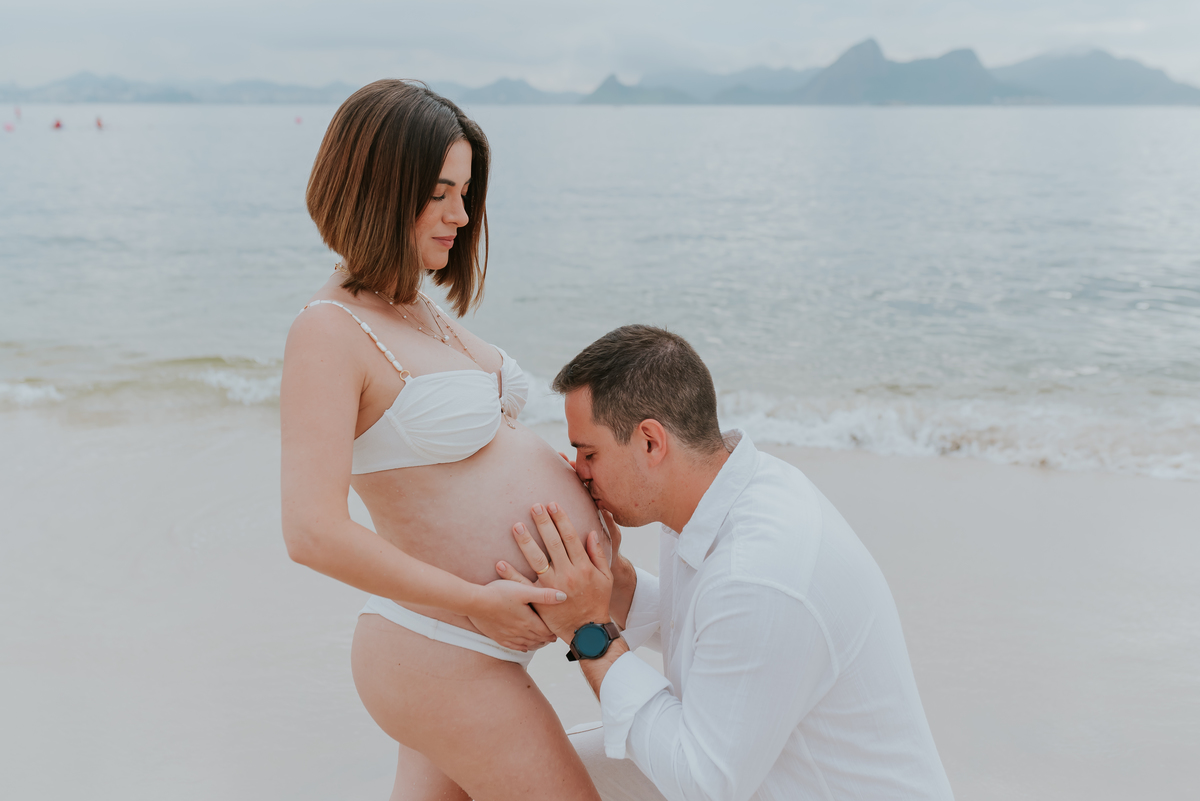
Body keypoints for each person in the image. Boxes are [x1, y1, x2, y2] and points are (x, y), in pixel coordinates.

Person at [280, 80, 608, 801]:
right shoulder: (327, 333)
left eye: (465, 191)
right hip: (439, 644)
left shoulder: (419, 311)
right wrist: (475, 601)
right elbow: (310, 531)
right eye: (440, 192)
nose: (462, 214)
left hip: (471, 642)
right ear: (377, 189)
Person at [496, 325, 955, 801]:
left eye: (589, 452)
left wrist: (589, 631)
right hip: (757, 770)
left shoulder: (760, 570)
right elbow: (709, 624)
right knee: (511, 769)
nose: (578, 471)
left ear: (651, 442)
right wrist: (617, 584)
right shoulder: (721, 491)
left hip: (760, 783)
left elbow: (701, 785)